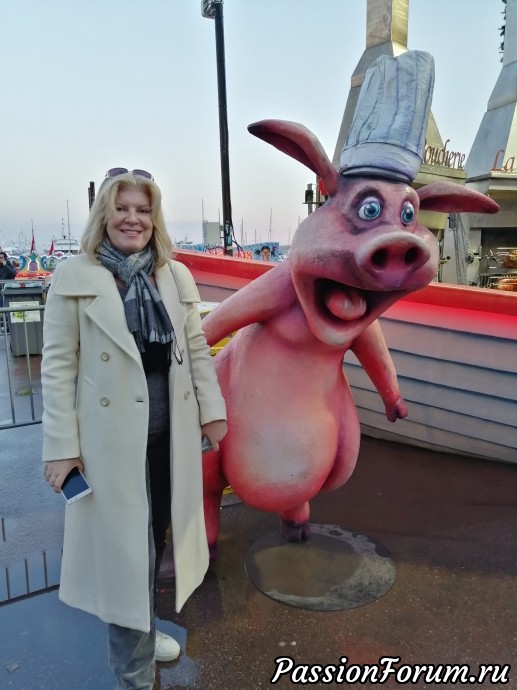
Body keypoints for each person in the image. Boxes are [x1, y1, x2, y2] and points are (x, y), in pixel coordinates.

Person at [41, 168, 227, 690]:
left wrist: (212, 412)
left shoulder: (174, 276)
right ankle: (133, 672)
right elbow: (57, 368)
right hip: (110, 446)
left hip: (169, 441)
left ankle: (143, 631)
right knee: (127, 555)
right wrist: (61, 447)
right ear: (104, 215)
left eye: (143, 210)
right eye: (121, 208)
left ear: (154, 218)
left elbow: (195, 350)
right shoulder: (74, 277)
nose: (133, 219)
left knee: (155, 541)